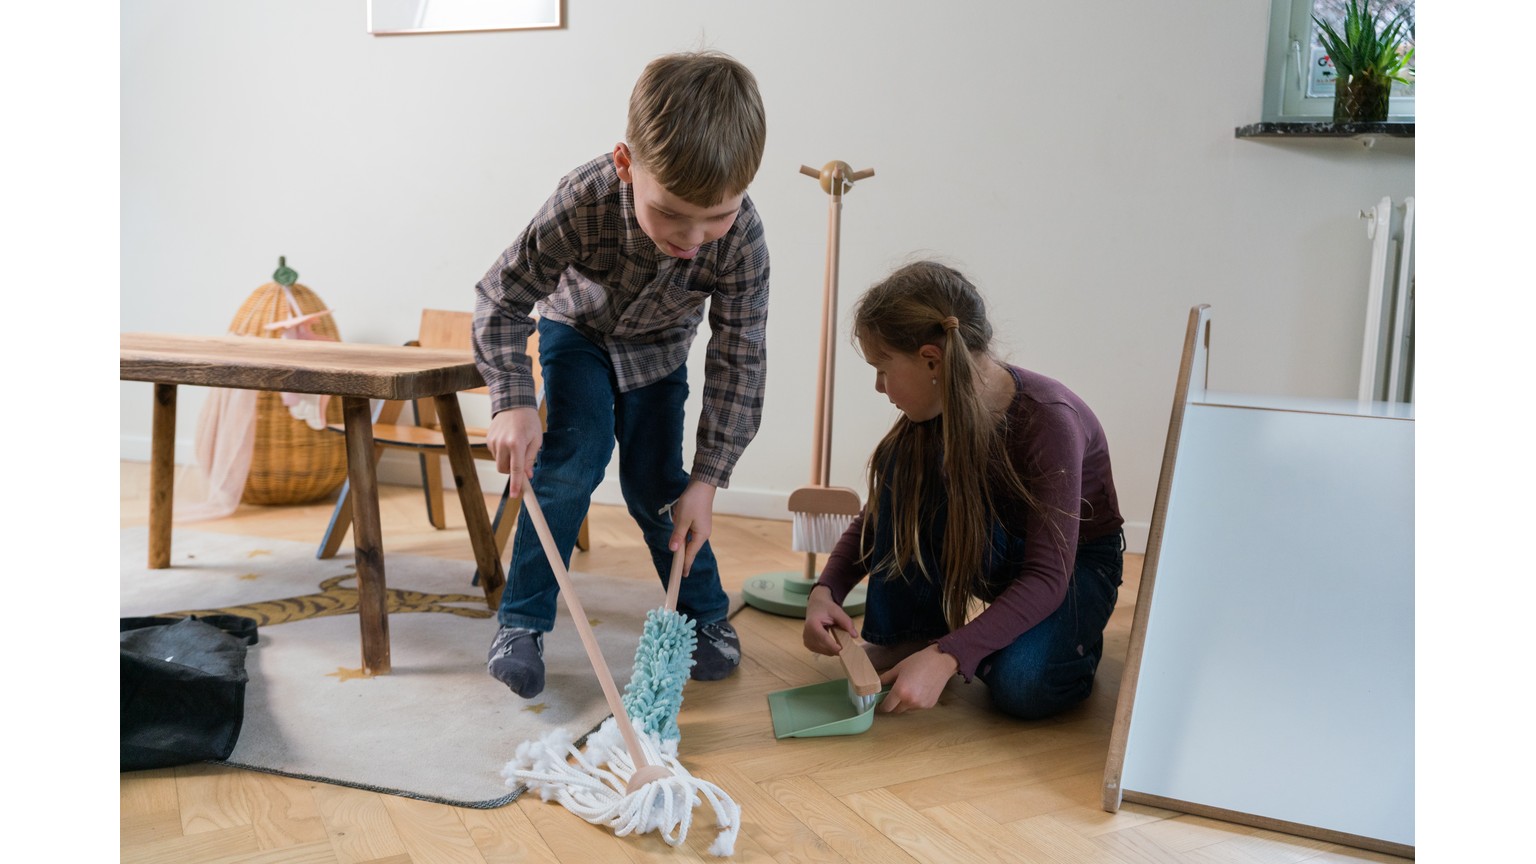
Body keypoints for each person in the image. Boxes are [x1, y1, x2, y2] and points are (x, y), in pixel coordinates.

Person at [473, 51, 769, 698]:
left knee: (661, 485)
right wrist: (513, 400)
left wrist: (710, 478)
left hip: (661, 350)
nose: (694, 238)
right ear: (626, 165)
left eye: (715, 216)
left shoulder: (742, 239)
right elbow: (503, 296)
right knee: (571, 462)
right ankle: (521, 624)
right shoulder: (583, 200)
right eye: (671, 213)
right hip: (576, 333)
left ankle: (706, 614)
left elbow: (740, 357)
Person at [803, 261, 1125, 720]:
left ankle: (1069, 646)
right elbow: (880, 517)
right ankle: (913, 637)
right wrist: (826, 590)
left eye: (882, 368)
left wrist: (950, 655)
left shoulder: (1049, 421)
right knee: (905, 465)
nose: (879, 386)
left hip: (1073, 567)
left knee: (1023, 687)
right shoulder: (931, 410)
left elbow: (1048, 576)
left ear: (932, 360)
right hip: (1000, 551)